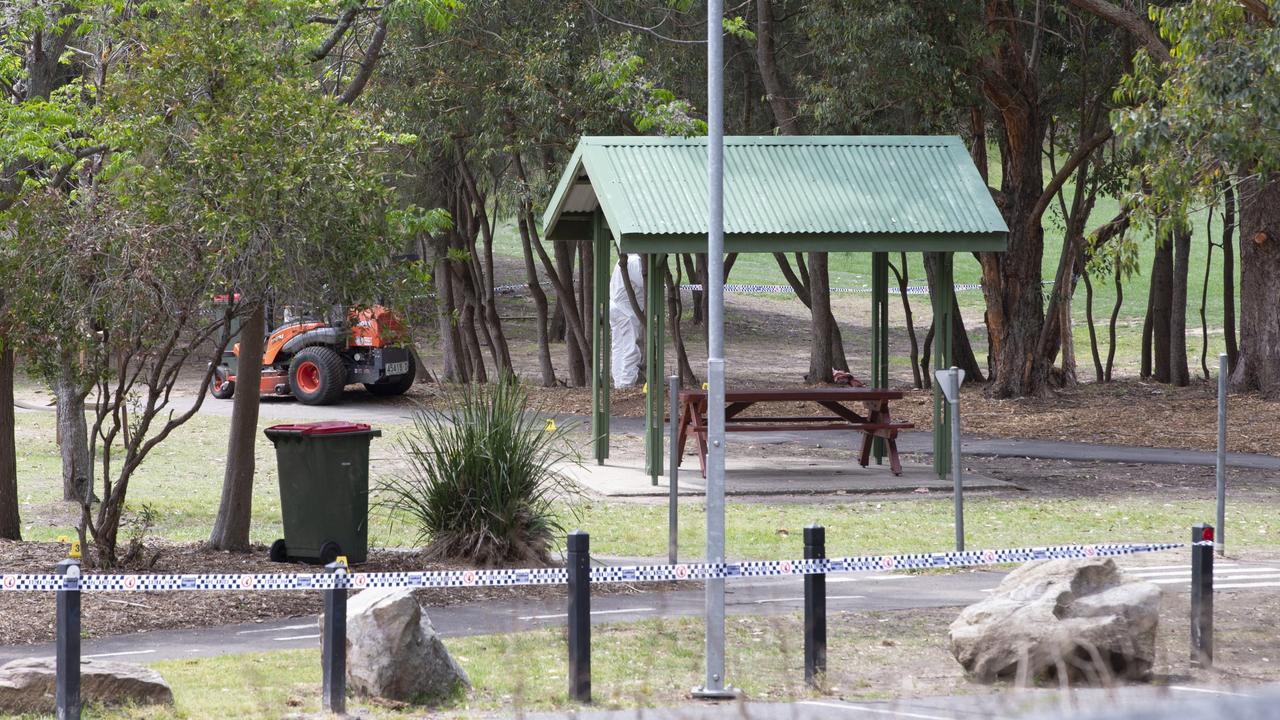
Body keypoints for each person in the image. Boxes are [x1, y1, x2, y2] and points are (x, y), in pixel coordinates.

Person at [609, 254, 645, 388]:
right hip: (626, 310)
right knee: (631, 347)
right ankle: (626, 384)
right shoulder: (635, 261)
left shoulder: (625, 259)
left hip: (616, 308)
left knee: (619, 346)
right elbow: (644, 281)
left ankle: (619, 382)